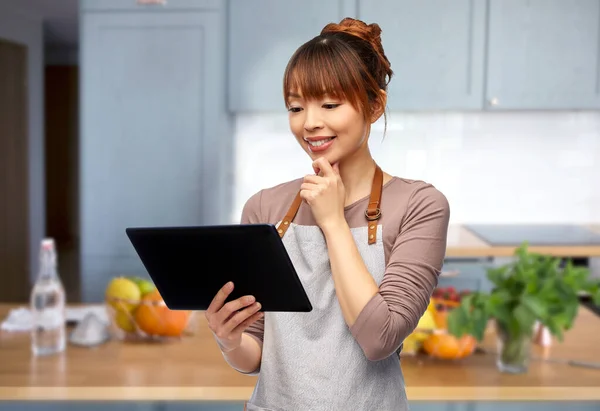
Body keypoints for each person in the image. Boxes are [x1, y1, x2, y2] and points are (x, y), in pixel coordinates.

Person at [205, 17, 450, 411]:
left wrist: (334, 221)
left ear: (374, 105)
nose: (310, 123)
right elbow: (255, 354)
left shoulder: (419, 205)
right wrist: (229, 340)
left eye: (330, 104)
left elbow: (379, 339)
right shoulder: (264, 208)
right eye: (296, 107)